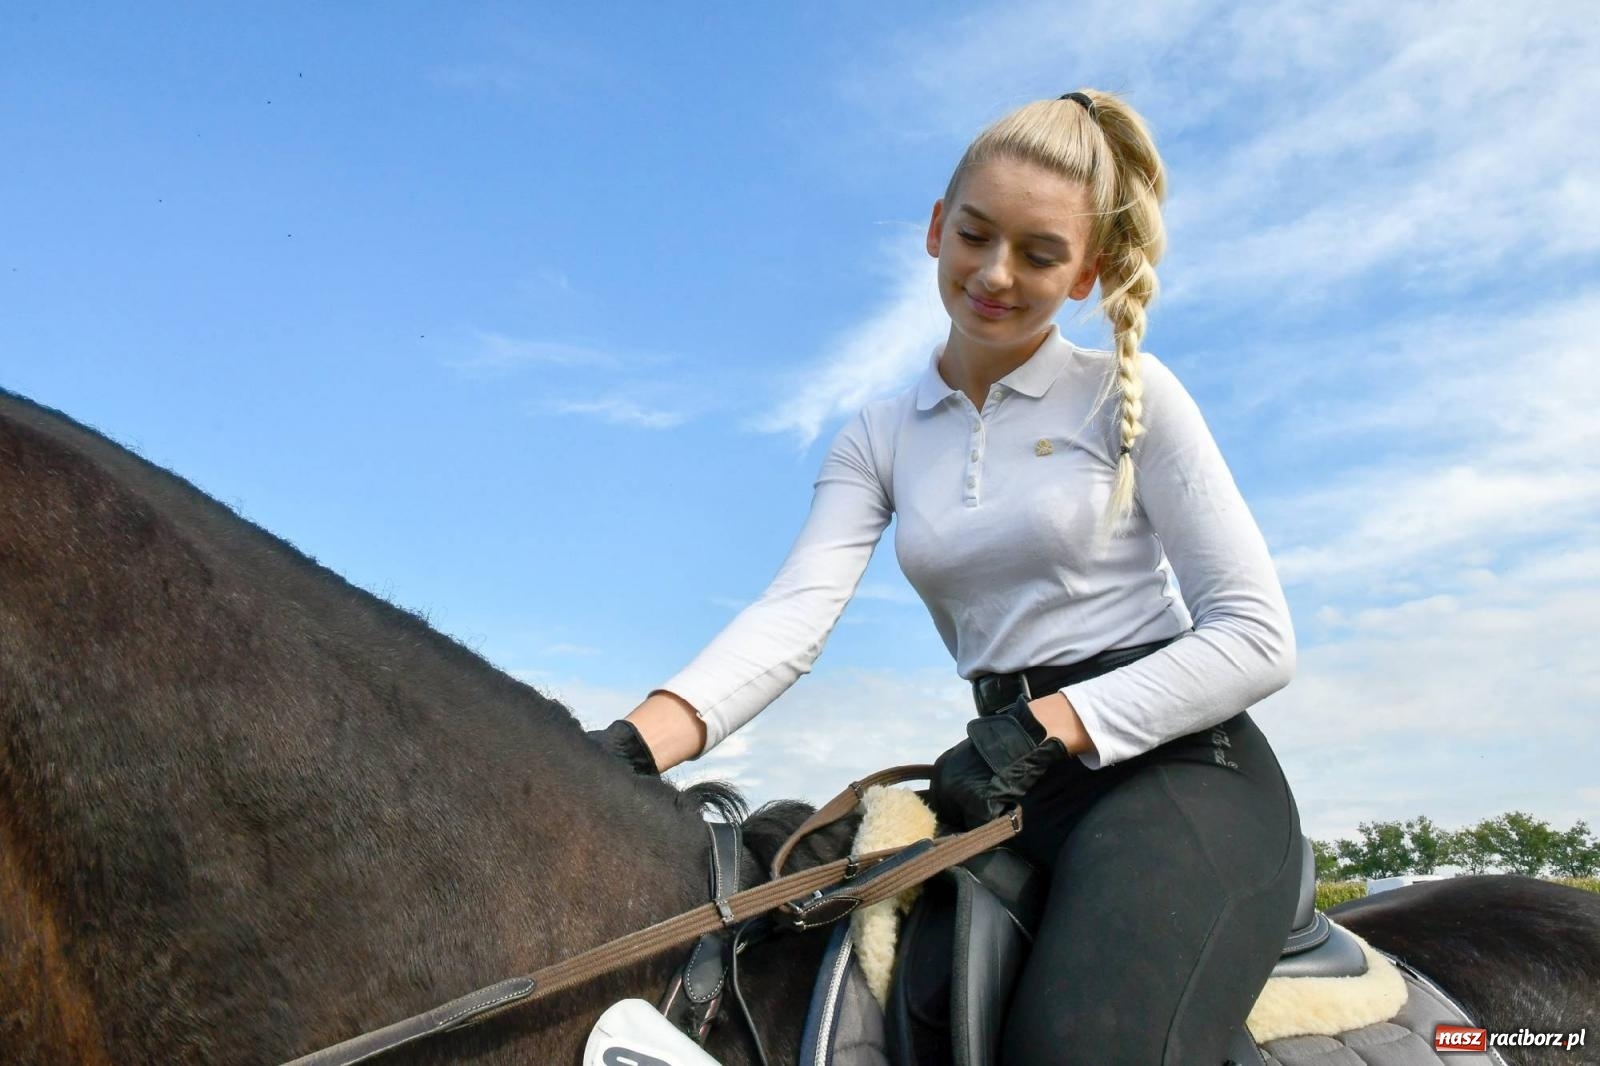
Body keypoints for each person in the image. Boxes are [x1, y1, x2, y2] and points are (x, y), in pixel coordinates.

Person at [589, 89, 1303, 1065]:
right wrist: (628, 747)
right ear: (935, 228)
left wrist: (1048, 724)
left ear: (1086, 271)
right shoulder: (879, 436)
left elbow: (1256, 636)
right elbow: (791, 619)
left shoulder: (1127, 397)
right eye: (975, 235)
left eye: (1041, 254)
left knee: (1077, 1046)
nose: (996, 275)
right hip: (1008, 785)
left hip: (1178, 776)